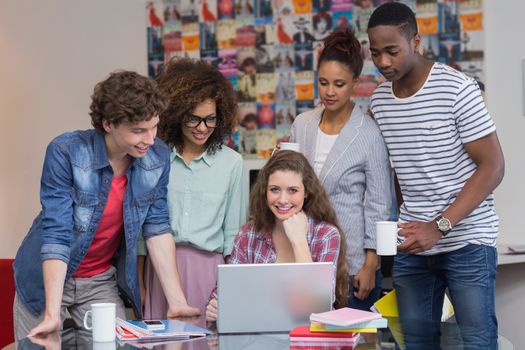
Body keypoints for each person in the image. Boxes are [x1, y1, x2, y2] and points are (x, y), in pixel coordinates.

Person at [12, 71, 199, 340]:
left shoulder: (157, 156)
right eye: (138, 131)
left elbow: (157, 228)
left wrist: (177, 301)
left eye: (154, 127)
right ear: (109, 123)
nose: (150, 139)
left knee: (119, 345)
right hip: (46, 282)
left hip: (99, 281)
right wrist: (52, 313)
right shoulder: (66, 151)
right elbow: (57, 233)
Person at [367, 3, 505, 349]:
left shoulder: (457, 88)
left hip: (468, 241)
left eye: (392, 51)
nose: (383, 62)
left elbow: (493, 167)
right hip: (413, 245)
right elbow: (400, 172)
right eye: (375, 53)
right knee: (415, 343)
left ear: (416, 43)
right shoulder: (380, 101)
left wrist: (438, 226)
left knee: (477, 341)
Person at [291, 29, 393, 311]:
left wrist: (371, 264)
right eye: (323, 83)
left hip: (352, 264)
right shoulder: (302, 124)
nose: (330, 92)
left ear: (355, 84)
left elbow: (379, 205)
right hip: (304, 258)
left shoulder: (369, 134)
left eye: (339, 84)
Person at [138, 58, 247, 318]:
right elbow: (142, 234)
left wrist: (231, 292)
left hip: (210, 273)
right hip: (160, 270)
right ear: (176, 114)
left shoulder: (232, 164)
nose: (202, 128)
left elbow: (235, 238)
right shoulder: (153, 158)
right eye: (194, 119)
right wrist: (140, 283)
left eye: (210, 119)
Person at [206, 150, 349, 321]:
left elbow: (316, 306)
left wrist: (299, 241)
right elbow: (226, 292)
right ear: (264, 191)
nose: (282, 199)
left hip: (309, 337)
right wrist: (215, 307)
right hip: (257, 335)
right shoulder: (248, 234)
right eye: (274, 189)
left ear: (307, 192)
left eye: (292, 190)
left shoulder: (326, 235)